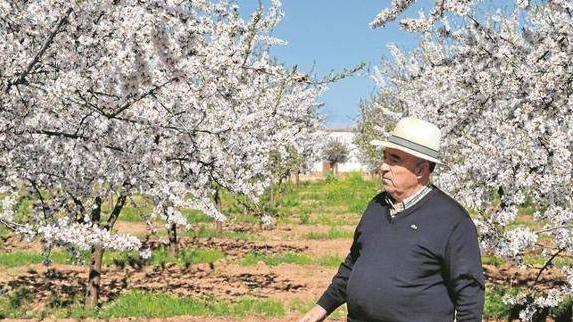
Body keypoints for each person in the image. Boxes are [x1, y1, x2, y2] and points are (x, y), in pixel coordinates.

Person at [299, 117, 484, 322]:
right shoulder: (377, 206)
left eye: (394, 160)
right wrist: (321, 308)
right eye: (384, 157)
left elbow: (469, 292)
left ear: (420, 170)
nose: (383, 167)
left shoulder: (452, 220)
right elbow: (353, 263)